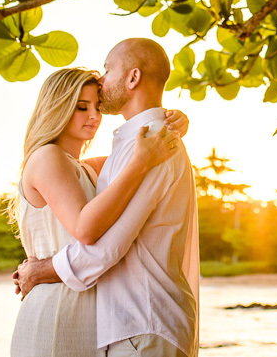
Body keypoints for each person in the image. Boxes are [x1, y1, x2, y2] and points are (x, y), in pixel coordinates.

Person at [15, 38, 200, 357]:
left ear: (133, 77)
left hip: (134, 323)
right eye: (81, 106)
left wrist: (39, 271)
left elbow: (101, 245)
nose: (94, 113)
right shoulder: (135, 149)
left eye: (107, 69)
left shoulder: (147, 145)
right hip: (79, 313)